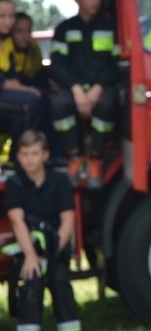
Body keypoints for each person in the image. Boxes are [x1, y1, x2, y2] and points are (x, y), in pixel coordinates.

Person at [4, 130, 81, 331]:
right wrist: (31, 255)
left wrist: (52, 254)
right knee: (31, 282)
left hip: (56, 248)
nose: (29, 159)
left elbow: (67, 219)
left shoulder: (60, 181)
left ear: (45, 155)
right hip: (28, 250)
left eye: (35, 153)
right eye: (25, 154)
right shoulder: (14, 184)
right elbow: (17, 221)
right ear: (18, 157)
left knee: (60, 281)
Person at [50, 0, 120, 188]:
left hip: (103, 87)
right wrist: (77, 90)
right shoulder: (64, 29)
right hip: (74, 88)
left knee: (107, 105)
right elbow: (57, 66)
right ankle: (74, 158)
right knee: (59, 105)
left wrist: (97, 88)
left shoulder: (110, 27)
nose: (95, 1)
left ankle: (94, 159)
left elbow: (115, 64)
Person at [0, 0, 42, 166]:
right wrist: (26, 90)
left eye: (11, 16)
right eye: (2, 16)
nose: (8, 21)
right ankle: (19, 159)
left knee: (42, 97)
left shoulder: (7, 41)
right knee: (28, 103)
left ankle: (49, 153)